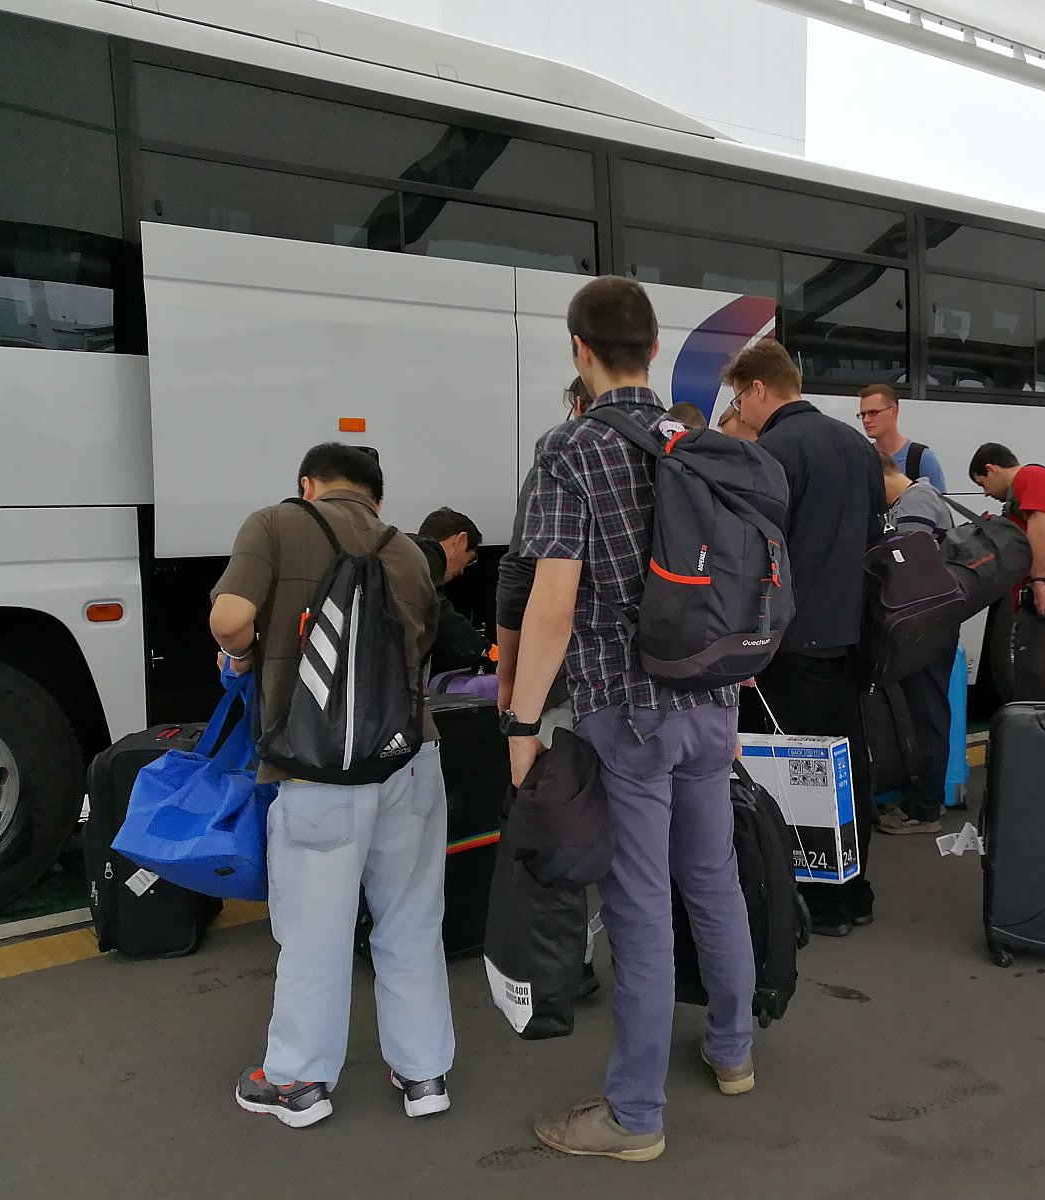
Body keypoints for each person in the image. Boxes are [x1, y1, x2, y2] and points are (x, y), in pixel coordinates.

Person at [507, 277, 754, 1162]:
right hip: (713, 702)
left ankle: (635, 1116)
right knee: (713, 879)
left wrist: (521, 725)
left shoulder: (570, 448)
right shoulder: (700, 441)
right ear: (653, 349)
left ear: (580, 351)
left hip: (628, 714)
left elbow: (552, 605)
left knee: (641, 908)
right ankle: (732, 1051)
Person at [210, 443, 452, 1128]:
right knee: (411, 921)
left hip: (317, 767)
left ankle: (298, 1082)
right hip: (410, 757)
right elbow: (422, 645)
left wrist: (241, 655)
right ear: (377, 497)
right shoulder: (407, 550)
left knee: (315, 930)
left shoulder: (274, 523)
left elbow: (230, 618)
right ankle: (424, 1075)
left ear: (308, 484)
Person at [731, 341, 886, 937]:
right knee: (846, 761)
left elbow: (757, 556)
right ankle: (855, 890)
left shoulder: (771, 452)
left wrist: (746, 642)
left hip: (790, 641)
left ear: (759, 388)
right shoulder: (857, 446)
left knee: (795, 769)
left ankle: (817, 900)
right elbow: (873, 538)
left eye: (740, 397)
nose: (741, 410)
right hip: (851, 633)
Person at [877, 453, 956, 837]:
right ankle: (923, 799)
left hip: (928, 625)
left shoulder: (917, 501)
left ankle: (924, 808)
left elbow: (906, 563)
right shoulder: (911, 501)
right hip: (929, 622)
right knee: (925, 710)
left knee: (927, 713)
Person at [969, 442, 1045, 702]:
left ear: (992, 469)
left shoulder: (1029, 477)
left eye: (982, 484)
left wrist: (1038, 580)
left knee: (1035, 675)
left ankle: (1037, 725)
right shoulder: (1032, 480)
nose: (986, 493)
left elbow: (1040, 526)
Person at [412, 506, 487, 676]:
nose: (462, 571)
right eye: (470, 559)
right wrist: (485, 651)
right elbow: (438, 612)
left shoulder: (404, 554)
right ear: (461, 540)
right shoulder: (426, 558)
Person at [858, 383, 947, 492]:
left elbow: (938, 501)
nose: (866, 420)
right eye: (863, 414)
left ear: (894, 412)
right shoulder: (864, 458)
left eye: (873, 412)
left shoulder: (921, 458)